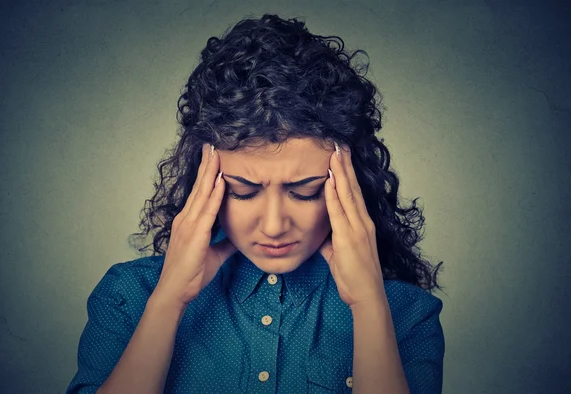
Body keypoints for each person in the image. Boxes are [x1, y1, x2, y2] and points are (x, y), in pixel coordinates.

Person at [66, 13, 446, 394]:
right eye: (242, 191)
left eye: (306, 190)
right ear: (205, 181)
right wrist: (168, 301)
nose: (275, 225)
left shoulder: (407, 314)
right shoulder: (129, 295)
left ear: (350, 184)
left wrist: (368, 305)